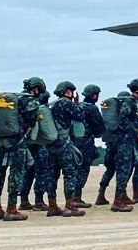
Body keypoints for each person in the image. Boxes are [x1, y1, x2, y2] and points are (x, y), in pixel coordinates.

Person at [0, 86, 39, 221]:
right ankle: (11, 209)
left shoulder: (4, 101)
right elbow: (32, 120)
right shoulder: (28, 101)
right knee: (16, 174)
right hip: (16, 142)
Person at [46, 81, 86, 217]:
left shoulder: (52, 105)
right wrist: (77, 103)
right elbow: (80, 116)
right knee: (70, 174)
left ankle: (52, 206)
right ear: (68, 91)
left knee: (52, 175)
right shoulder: (66, 103)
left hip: (51, 145)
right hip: (64, 144)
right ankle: (70, 206)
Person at [110, 79, 138, 212]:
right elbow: (124, 120)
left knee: (125, 170)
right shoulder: (129, 102)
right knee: (123, 170)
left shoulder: (132, 102)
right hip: (125, 142)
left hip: (126, 141)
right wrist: (137, 133)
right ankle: (117, 201)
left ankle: (121, 198)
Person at [19, 77, 51, 211]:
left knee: (28, 171)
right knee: (42, 169)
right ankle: (39, 200)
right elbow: (33, 121)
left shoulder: (18, 99)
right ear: (36, 88)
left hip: (20, 141)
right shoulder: (32, 102)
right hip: (34, 141)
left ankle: (24, 200)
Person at [73, 84, 105, 208]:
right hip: (86, 143)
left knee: (75, 169)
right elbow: (99, 127)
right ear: (94, 95)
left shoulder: (79, 106)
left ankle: (73, 196)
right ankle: (77, 197)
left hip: (75, 141)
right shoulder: (92, 108)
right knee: (83, 169)